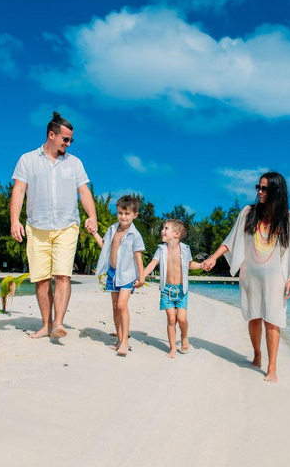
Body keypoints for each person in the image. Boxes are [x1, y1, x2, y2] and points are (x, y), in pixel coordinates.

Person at [202, 172, 290, 382]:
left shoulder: (288, 218)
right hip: (250, 274)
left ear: (276, 190)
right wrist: (213, 257)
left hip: (276, 276)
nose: (259, 191)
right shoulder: (248, 213)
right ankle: (257, 355)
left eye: (264, 188)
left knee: (273, 320)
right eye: (258, 187)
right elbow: (231, 240)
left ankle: (272, 367)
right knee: (254, 317)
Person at [10, 112, 97, 339]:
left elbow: (84, 192)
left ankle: (58, 323)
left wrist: (93, 216)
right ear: (51, 135)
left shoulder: (75, 163)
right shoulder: (27, 160)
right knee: (40, 279)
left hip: (67, 226)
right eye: (65, 139)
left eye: (70, 140)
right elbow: (18, 190)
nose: (68, 144)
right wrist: (14, 221)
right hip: (37, 228)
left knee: (62, 276)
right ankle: (46, 325)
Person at [89, 195, 145, 356]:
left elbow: (138, 257)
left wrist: (141, 277)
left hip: (127, 274)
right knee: (115, 308)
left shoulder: (135, 235)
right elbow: (104, 246)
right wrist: (94, 233)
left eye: (127, 214)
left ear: (135, 215)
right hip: (112, 273)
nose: (123, 217)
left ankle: (125, 341)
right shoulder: (112, 229)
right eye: (120, 213)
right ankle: (119, 339)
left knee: (121, 305)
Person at [142, 219, 202, 358]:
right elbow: (153, 263)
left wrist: (201, 265)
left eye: (166, 228)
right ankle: (173, 348)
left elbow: (190, 264)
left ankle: (184, 336)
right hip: (166, 290)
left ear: (176, 234)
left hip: (181, 290)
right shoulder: (161, 249)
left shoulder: (186, 249)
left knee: (181, 319)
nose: (162, 230)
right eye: (163, 228)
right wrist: (143, 275)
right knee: (171, 319)